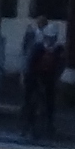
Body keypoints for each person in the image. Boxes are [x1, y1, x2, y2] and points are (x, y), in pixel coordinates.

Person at [20, 11, 66, 140]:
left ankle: (43, 124)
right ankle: (30, 124)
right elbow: (31, 64)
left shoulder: (45, 48)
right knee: (33, 100)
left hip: (44, 77)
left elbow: (60, 65)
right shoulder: (46, 48)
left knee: (45, 100)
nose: (50, 40)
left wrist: (56, 78)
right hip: (38, 76)